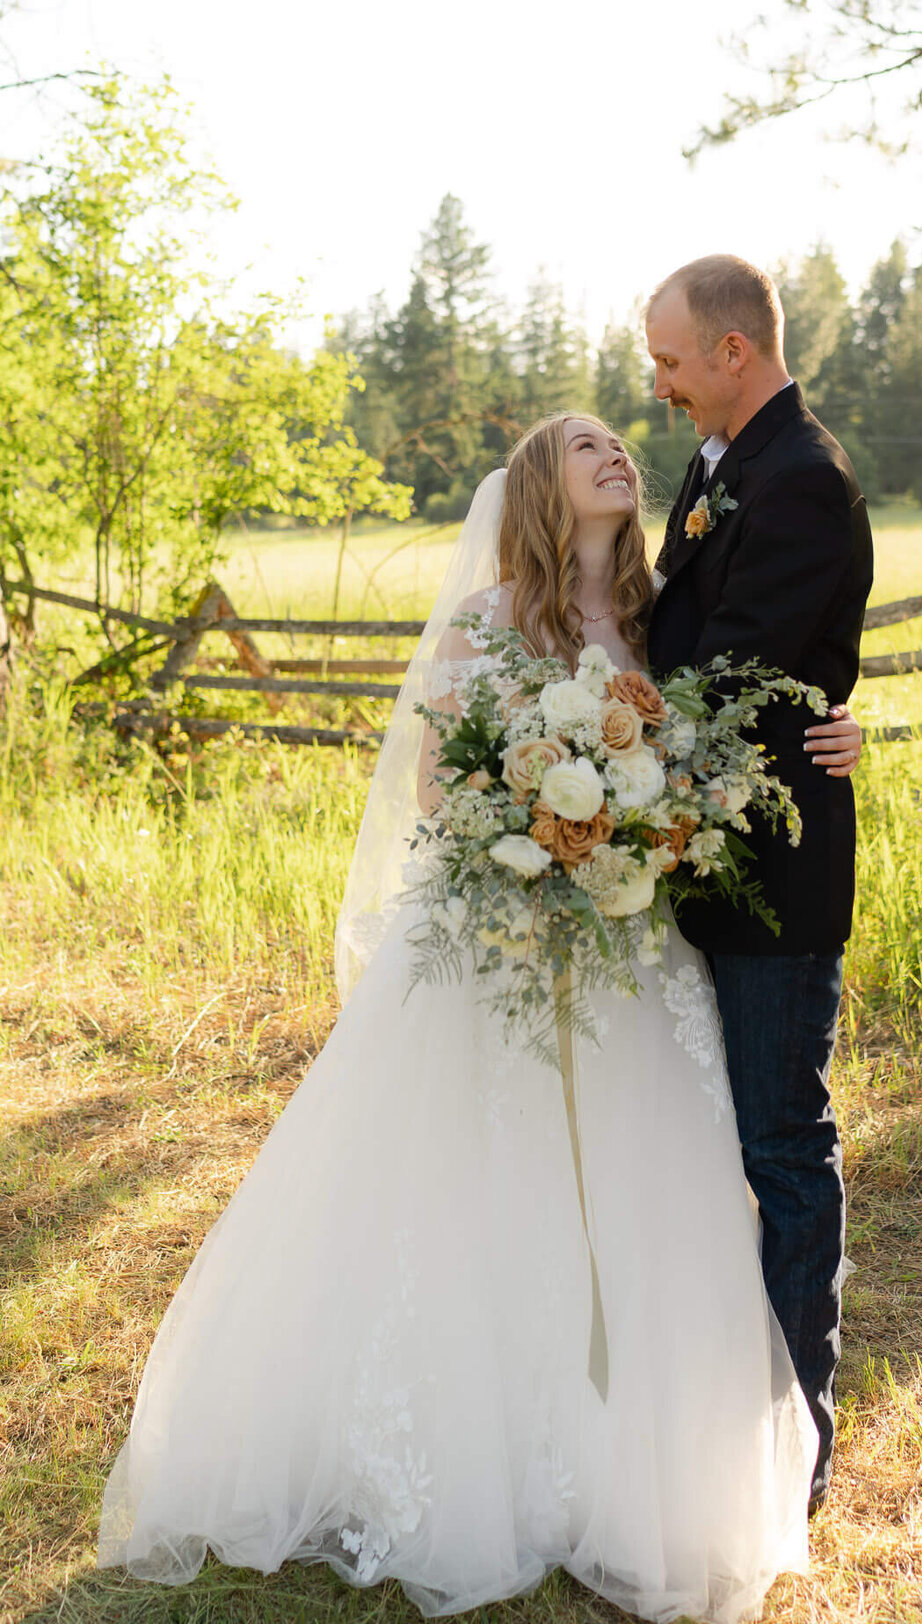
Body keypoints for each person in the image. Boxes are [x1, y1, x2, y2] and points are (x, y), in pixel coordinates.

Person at [97, 412, 863, 1621]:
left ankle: (630, 1460)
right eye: (586, 450)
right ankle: (465, 1448)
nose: (619, 455)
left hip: (631, 949)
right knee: (473, 1191)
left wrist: (834, 732)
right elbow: (438, 788)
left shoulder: (668, 623)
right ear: (539, 491)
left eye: (623, 442)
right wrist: (534, 850)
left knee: (646, 1191)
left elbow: (730, 725)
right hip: (501, 945)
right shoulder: (494, 618)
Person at [646, 257, 874, 1515]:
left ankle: (794, 1447)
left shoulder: (801, 481)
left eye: (672, 362)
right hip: (701, 853)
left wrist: (597, 741)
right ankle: (709, 1414)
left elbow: (730, 677)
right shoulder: (729, 459)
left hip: (773, 872)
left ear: (734, 351)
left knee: (782, 1145)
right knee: (706, 1142)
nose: (662, 385)